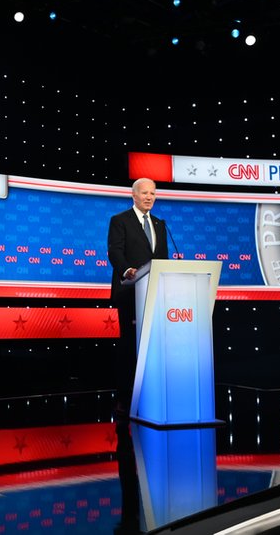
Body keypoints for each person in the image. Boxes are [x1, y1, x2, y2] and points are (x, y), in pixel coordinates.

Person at [107, 178, 169, 418]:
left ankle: (151, 398)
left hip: (154, 294)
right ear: (134, 195)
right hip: (129, 292)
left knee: (153, 347)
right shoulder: (120, 220)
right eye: (145, 193)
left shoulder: (160, 224)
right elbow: (114, 251)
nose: (149, 197)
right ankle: (124, 399)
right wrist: (127, 270)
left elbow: (161, 258)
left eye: (153, 193)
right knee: (128, 347)